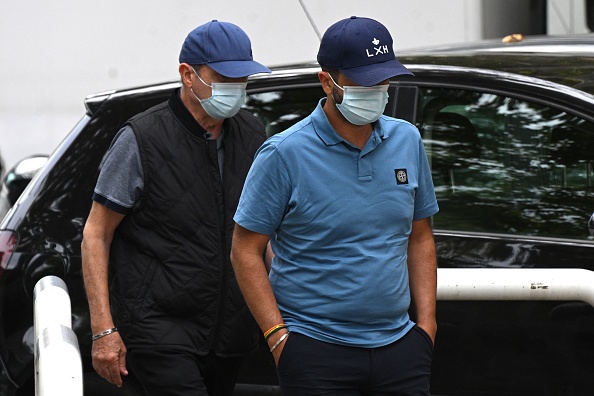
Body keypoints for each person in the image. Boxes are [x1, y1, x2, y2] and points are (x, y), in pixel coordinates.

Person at [231, 16, 439, 395]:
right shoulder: (283, 153)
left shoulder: (406, 140)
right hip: (315, 351)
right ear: (327, 82)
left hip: (400, 348)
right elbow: (245, 249)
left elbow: (420, 236)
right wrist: (279, 338)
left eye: (384, 80)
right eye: (364, 82)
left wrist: (426, 326)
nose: (377, 90)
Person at [81, 20, 270, 396]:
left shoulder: (251, 133)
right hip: (158, 331)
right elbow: (96, 234)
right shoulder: (142, 138)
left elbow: (263, 233)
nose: (235, 89)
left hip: (229, 334)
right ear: (187, 74)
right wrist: (104, 330)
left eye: (242, 79)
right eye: (224, 78)